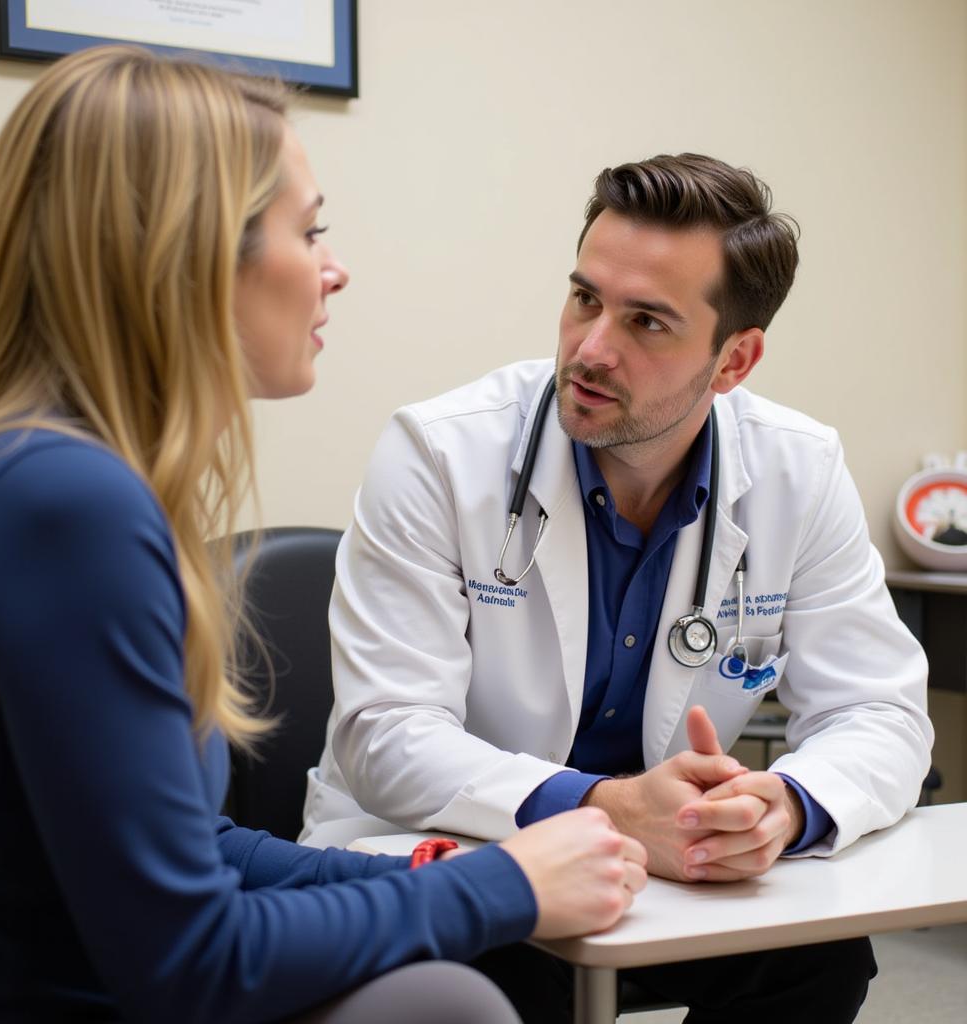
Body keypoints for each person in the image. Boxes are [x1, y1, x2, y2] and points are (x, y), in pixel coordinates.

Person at [0, 46, 650, 1024]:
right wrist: (506, 887)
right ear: (185, 253)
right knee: (443, 1003)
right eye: (308, 231)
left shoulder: (35, 474)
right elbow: (193, 956)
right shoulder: (67, 507)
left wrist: (435, 868)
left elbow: (192, 847)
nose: (335, 268)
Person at [301, 153, 934, 1021]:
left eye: (647, 323)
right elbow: (386, 734)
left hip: (661, 874)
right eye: (585, 299)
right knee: (499, 982)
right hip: (451, 852)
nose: (591, 349)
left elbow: (882, 712)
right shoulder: (441, 454)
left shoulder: (799, 469)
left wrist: (783, 804)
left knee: (819, 958)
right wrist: (603, 807)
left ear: (734, 360)